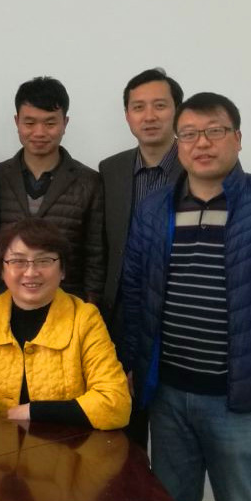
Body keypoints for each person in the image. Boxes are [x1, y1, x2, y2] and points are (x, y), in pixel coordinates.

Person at [123, 92, 251, 501]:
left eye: (214, 131)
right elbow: (134, 292)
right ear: (178, 145)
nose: (201, 143)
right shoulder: (154, 209)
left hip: (237, 396)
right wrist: (131, 363)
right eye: (189, 134)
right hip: (167, 393)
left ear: (237, 138)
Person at [0, 218, 130, 430]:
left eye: (44, 261)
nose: (31, 272)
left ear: (63, 270)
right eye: (18, 261)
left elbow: (115, 403)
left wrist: (33, 411)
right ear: (2, 270)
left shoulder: (85, 319)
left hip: (66, 447)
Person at [98, 68, 183, 449]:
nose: (149, 116)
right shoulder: (111, 169)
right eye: (138, 107)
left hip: (177, 317)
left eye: (160, 106)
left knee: (173, 439)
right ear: (127, 115)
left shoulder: (201, 166)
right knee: (122, 439)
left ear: (178, 111)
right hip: (121, 317)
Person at [0, 77, 104, 304]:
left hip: (68, 303)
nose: (39, 132)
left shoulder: (89, 182)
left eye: (50, 123)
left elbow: (95, 254)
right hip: (6, 301)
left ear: (65, 123)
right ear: (16, 122)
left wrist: (90, 305)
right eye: (30, 123)